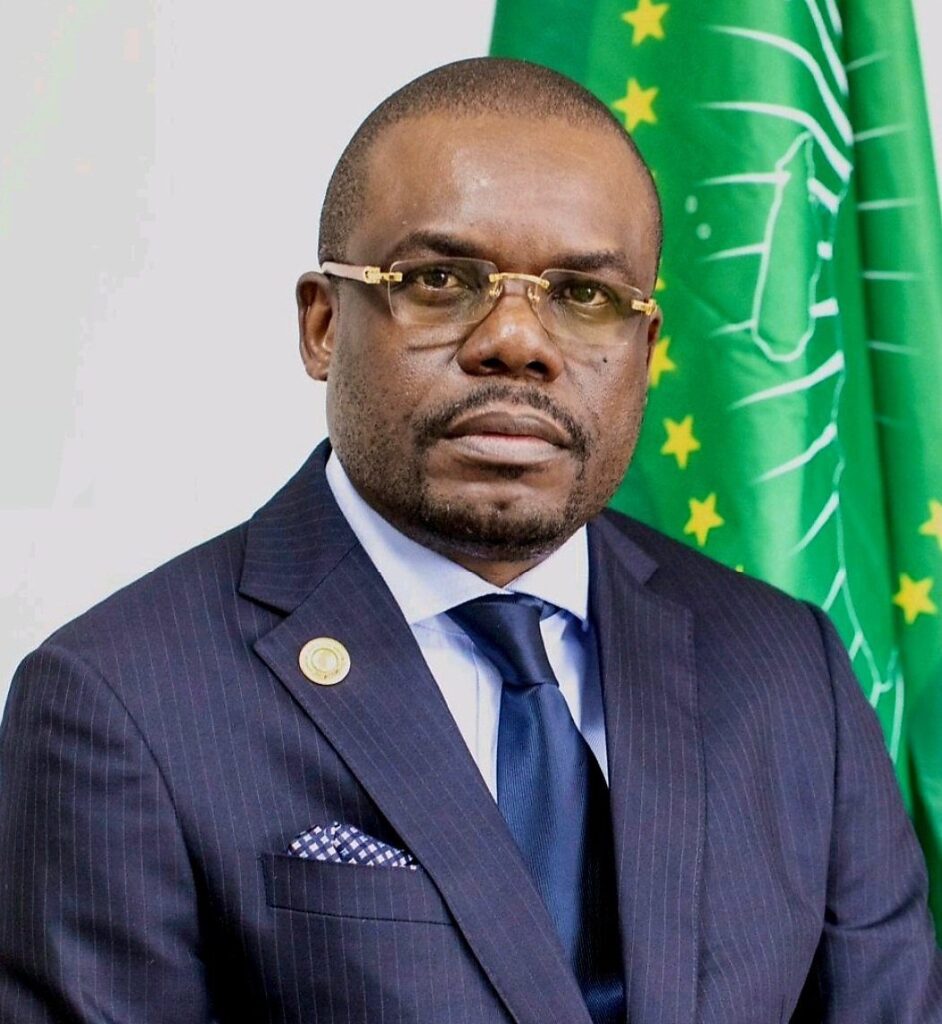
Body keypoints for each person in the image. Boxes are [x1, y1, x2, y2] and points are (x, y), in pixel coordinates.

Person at [1, 56, 940, 1024]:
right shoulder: (120, 700)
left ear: (646, 352)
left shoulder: (790, 669)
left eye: (584, 295)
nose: (517, 342)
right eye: (441, 280)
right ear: (322, 325)